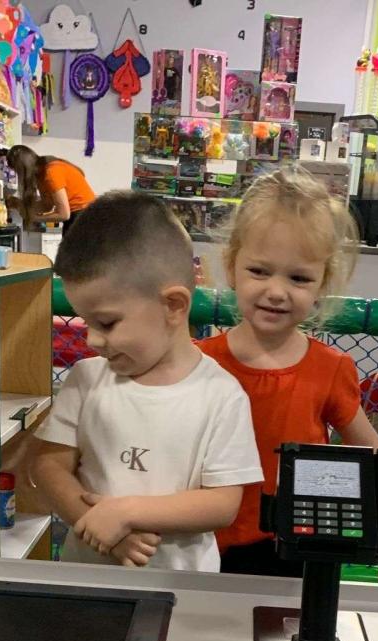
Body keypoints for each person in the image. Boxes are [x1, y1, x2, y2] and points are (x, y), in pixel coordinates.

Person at [30, 191, 263, 571]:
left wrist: (126, 513)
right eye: (86, 322)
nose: (92, 340)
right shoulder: (87, 379)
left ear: (173, 306)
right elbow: (48, 467)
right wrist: (102, 532)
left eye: (106, 323)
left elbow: (222, 502)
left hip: (182, 589)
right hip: (88, 582)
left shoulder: (221, 395)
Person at [202, 168, 378, 581]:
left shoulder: (328, 369)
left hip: (299, 546)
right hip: (205, 540)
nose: (276, 291)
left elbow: (371, 451)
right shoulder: (198, 363)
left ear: (322, 284)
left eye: (298, 278)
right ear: (231, 266)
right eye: (259, 271)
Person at [6, 145, 95, 235]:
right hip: (80, 217)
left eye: (18, 171)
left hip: (85, 217)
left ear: (24, 168)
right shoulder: (41, 174)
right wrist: (20, 205)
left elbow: (64, 214)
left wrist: (35, 218)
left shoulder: (51, 172)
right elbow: (46, 205)